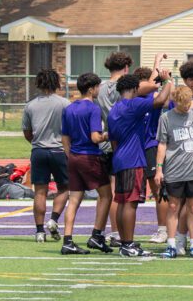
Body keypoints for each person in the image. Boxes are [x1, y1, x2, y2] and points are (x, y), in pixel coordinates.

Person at [107, 57, 172, 257]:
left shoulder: (114, 109)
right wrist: (168, 81)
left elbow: (113, 139)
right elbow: (161, 100)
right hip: (133, 159)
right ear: (135, 89)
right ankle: (129, 244)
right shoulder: (133, 105)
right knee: (131, 202)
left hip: (119, 158)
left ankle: (124, 242)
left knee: (121, 200)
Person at [155, 85, 193, 258]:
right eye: (181, 104)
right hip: (174, 171)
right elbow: (162, 144)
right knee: (173, 206)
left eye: (187, 103)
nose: (185, 107)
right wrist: (159, 170)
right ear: (174, 102)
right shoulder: (166, 117)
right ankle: (171, 245)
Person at [60, 72, 112, 255]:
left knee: (73, 199)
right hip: (89, 157)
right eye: (97, 86)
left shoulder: (69, 108)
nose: (99, 89)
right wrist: (110, 133)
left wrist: (71, 155)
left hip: (73, 156)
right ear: (91, 89)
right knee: (106, 195)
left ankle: (67, 240)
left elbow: (64, 137)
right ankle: (97, 236)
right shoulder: (93, 108)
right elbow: (95, 137)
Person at [22, 68, 70, 244]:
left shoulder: (31, 105)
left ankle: (39, 231)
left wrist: (37, 143)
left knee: (40, 192)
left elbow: (27, 133)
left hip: (39, 151)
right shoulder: (64, 103)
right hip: (59, 151)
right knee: (64, 188)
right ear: (56, 83)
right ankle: (54, 220)